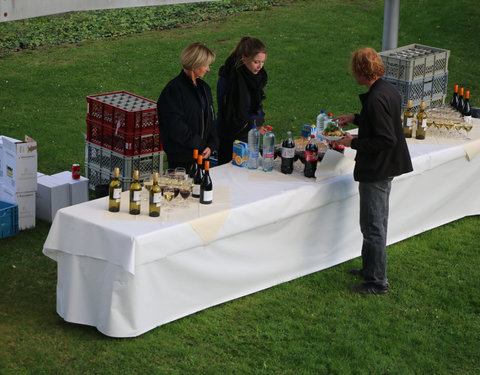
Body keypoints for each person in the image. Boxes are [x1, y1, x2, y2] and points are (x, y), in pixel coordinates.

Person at [334, 47, 413, 295]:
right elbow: (382, 120)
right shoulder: (386, 89)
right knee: (374, 223)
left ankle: (378, 282)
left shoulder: (377, 97)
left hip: (377, 169)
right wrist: (355, 117)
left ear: (361, 71)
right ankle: (371, 269)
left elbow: (386, 139)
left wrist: (352, 142)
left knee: (373, 226)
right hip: (385, 167)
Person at [157, 42, 218, 170]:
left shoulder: (204, 88)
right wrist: (200, 145)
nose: (208, 69)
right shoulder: (173, 91)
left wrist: (211, 145)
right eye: (205, 65)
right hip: (181, 160)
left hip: (202, 156)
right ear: (195, 64)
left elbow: (211, 119)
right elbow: (176, 128)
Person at [216, 36, 268, 165]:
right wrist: (253, 124)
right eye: (256, 62)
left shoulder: (254, 76)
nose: (260, 66)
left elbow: (256, 103)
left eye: (262, 62)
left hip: (249, 132)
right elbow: (230, 112)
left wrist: (258, 122)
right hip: (231, 134)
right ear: (244, 58)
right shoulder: (230, 78)